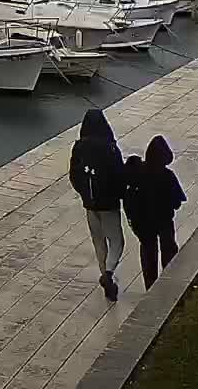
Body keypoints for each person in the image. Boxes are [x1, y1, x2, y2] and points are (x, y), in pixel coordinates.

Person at [69, 108, 126, 301]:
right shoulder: (110, 148)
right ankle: (108, 274)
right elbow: (119, 175)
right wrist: (120, 195)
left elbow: (73, 175)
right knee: (116, 241)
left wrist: (85, 194)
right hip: (109, 204)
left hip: (89, 204)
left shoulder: (78, 147)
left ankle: (105, 275)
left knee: (98, 242)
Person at [123, 135, 187, 289]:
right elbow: (177, 201)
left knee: (148, 253)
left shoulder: (137, 172)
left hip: (143, 223)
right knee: (168, 249)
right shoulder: (167, 176)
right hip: (164, 220)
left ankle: (150, 285)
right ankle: (168, 281)